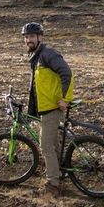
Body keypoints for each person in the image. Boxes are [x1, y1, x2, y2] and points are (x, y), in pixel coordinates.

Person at [22, 22, 74, 197]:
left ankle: (53, 183)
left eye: (31, 37)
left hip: (52, 107)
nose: (28, 40)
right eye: (26, 37)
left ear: (40, 37)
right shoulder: (37, 57)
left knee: (45, 146)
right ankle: (61, 171)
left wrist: (64, 99)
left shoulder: (48, 54)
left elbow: (67, 72)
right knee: (52, 143)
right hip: (45, 107)